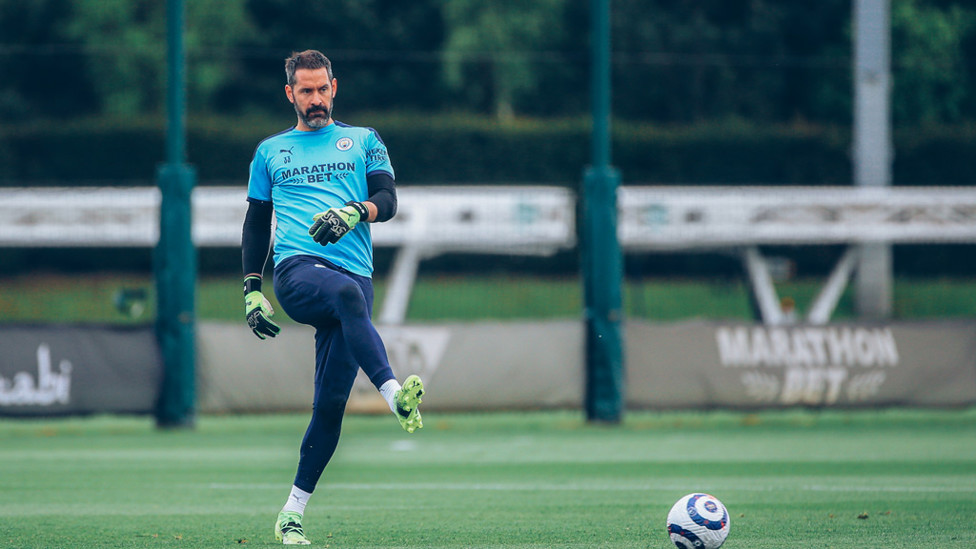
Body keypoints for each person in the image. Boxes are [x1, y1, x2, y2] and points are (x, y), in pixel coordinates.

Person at [240, 49, 425, 546]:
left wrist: (354, 211)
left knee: (329, 408)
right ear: (290, 94)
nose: (315, 99)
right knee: (343, 293)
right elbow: (257, 223)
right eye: (306, 90)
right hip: (299, 273)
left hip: (353, 283)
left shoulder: (363, 140)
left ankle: (291, 512)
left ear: (334, 87)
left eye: (322, 89)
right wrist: (253, 288)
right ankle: (394, 396)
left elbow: (388, 201)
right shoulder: (270, 152)